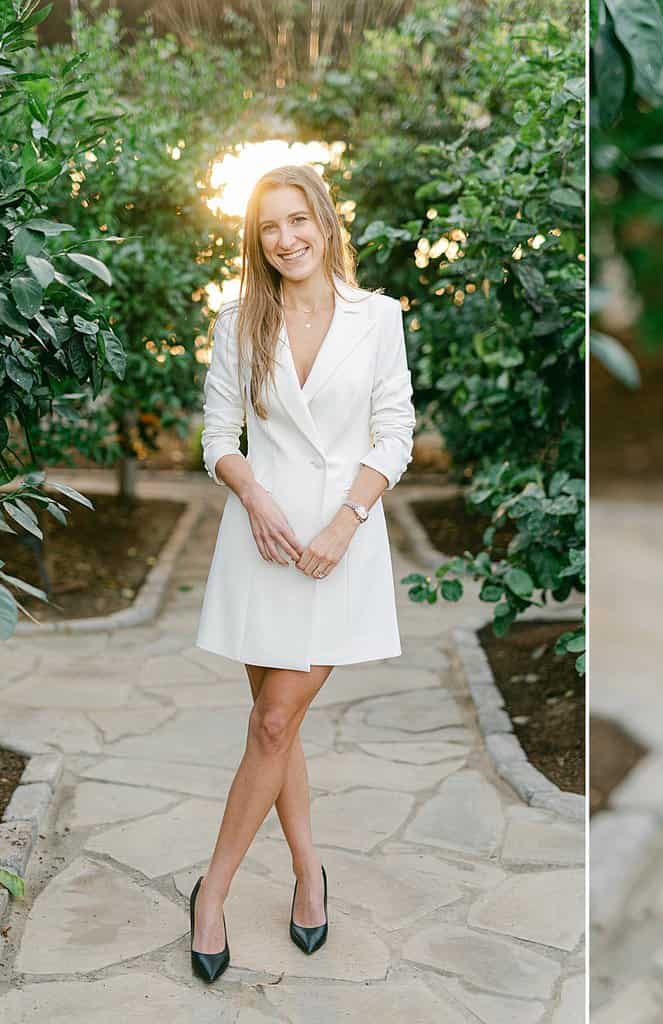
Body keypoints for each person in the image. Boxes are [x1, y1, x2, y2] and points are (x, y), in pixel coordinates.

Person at [189, 163, 416, 983]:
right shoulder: (238, 321)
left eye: (297, 220)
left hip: (340, 542)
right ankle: (309, 870)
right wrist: (250, 494)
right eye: (268, 228)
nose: (285, 240)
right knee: (274, 724)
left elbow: (395, 431)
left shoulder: (378, 317)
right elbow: (218, 433)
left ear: (324, 219)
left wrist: (346, 521)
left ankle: (210, 894)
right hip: (263, 543)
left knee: (276, 721)